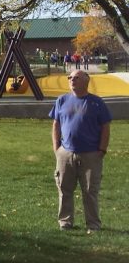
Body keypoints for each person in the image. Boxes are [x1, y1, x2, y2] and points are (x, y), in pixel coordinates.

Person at [49, 70, 112, 232]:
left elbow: (106, 127)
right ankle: (65, 223)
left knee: (90, 191)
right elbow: (56, 125)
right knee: (64, 189)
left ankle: (93, 225)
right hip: (65, 153)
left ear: (86, 80)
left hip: (91, 154)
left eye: (76, 77)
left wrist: (102, 150)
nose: (71, 80)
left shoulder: (96, 103)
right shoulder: (62, 100)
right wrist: (57, 149)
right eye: (69, 77)